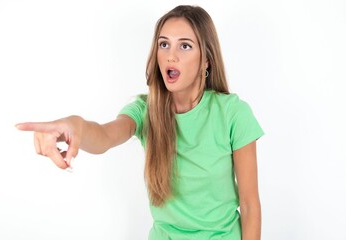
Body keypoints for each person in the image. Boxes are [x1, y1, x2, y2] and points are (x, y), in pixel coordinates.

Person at [16, 5, 264, 240]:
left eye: (185, 46)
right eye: (164, 44)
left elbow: (250, 205)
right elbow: (104, 136)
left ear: (206, 60)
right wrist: (74, 127)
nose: (171, 56)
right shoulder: (146, 110)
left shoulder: (233, 113)